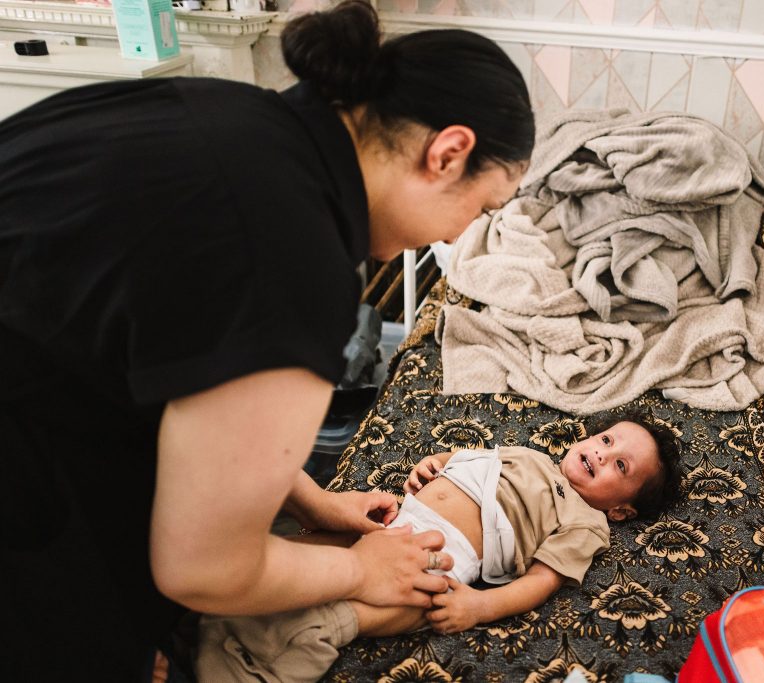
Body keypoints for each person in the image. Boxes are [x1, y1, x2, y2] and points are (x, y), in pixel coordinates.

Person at [0, 0, 534, 679]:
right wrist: (357, 568)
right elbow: (201, 566)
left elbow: (194, 366)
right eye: (481, 208)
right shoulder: (295, 261)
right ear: (448, 153)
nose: (461, 236)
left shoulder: (234, 115)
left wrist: (309, 499)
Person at [196, 415, 682, 683]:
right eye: (606, 438)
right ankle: (217, 599)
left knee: (419, 600)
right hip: (399, 520)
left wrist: (478, 605)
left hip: (446, 552)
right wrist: (434, 463)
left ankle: (302, 635)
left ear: (621, 512)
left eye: (621, 466)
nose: (601, 452)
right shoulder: (533, 456)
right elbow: (470, 461)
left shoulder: (587, 521)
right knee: (307, 547)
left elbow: (543, 579)